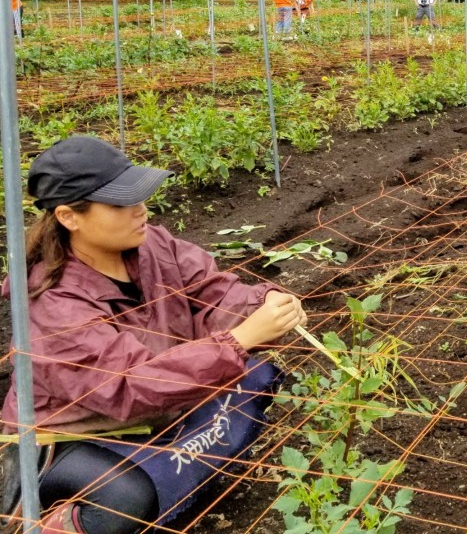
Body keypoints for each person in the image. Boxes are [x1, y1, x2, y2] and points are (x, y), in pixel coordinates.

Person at [0, 136, 307, 533]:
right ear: (68, 216)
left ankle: (176, 460)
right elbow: (126, 386)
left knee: (257, 374)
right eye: (120, 203)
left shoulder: (153, 245)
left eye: (139, 197)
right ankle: (46, 513)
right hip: (76, 432)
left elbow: (213, 293)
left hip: (158, 406)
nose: (140, 210)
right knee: (124, 500)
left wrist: (265, 303)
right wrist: (237, 341)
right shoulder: (53, 300)